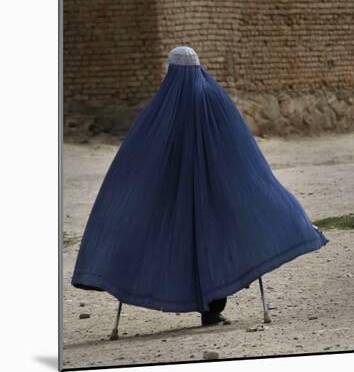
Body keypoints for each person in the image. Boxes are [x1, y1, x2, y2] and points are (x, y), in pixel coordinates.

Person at [71, 46, 328, 327]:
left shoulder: (162, 106)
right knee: (215, 242)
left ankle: (193, 302)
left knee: (178, 244)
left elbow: (140, 155)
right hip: (217, 189)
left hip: (173, 192)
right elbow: (239, 146)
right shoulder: (213, 96)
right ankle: (213, 310)